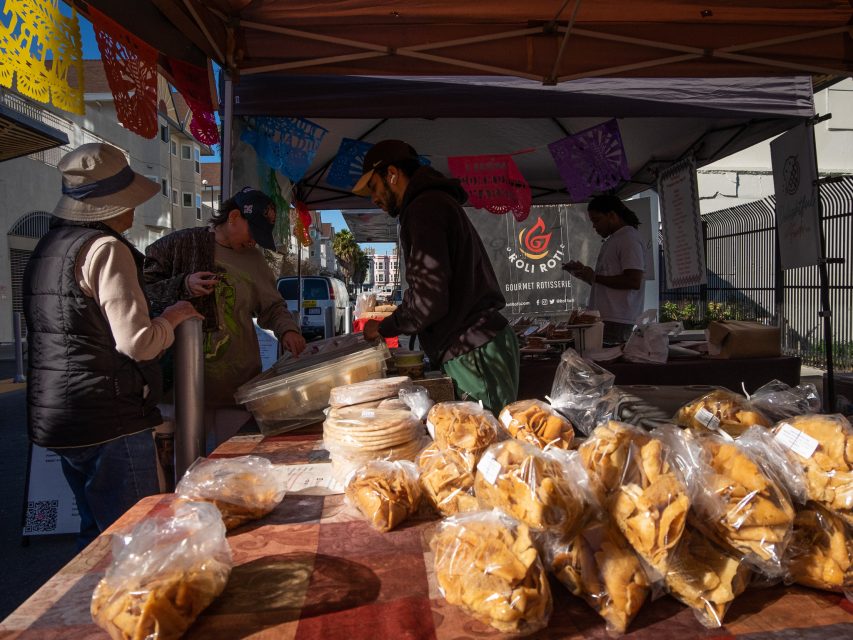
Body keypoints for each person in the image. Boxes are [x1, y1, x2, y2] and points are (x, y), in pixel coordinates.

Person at [23, 143, 202, 548]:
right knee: (137, 541)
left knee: (96, 542)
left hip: (56, 419)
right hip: (109, 418)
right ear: (108, 205)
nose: (134, 209)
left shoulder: (48, 248)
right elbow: (138, 343)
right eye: (129, 199)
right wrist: (173, 316)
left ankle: (94, 606)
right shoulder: (106, 249)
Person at [353, 139, 519, 413]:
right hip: (474, 346)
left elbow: (429, 298)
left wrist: (384, 328)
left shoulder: (423, 208)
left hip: (472, 349)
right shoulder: (432, 203)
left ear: (392, 174)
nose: (374, 198)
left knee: (488, 442)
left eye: (374, 186)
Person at [144, 187, 306, 450]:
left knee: (235, 467)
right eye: (252, 232)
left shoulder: (254, 260)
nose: (254, 241)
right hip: (178, 391)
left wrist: (288, 330)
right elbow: (141, 289)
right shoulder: (176, 245)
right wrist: (182, 284)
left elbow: (272, 306)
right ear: (233, 217)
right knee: (182, 473)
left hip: (237, 389)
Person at [563, 194, 646, 343]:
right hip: (606, 319)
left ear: (612, 215)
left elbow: (633, 281)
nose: (594, 226)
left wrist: (595, 277)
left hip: (616, 320)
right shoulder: (615, 239)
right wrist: (585, 275)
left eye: (597, 220)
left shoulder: (628, 239)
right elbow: (607, 284)